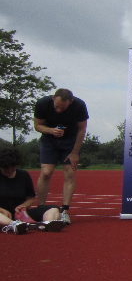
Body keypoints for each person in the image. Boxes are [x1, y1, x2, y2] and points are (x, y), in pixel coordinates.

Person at [33, 88, 89, 224]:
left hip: (70, 141)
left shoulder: (80, 106)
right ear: (53, 98)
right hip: (49, 139)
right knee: (46, 172)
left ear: (71, 102)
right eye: (56, 107)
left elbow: (82, 129)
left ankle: (64, 211)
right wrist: (51, 130)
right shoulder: (42, 103)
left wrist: (75, 152)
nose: (58, 110)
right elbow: (37, 126)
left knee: (70, 173)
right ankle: (41, 208)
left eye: (63, 108)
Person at [0, 146, 65, 234]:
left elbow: (31, 197)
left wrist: (23, 206)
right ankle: (13, 224)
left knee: (53, 208)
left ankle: (47, 223)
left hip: (21, 214)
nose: (9, 171)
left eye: (12, 168)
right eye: (5, 169)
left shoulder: (23, 175)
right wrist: (2, 210)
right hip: (3, 214)